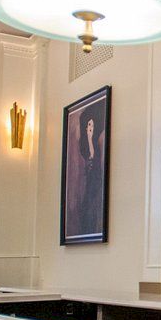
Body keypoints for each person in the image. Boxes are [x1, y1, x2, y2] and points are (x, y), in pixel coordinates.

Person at [67, 98, 106, 239]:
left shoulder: (98, 142)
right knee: (86, 204)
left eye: (92, 124)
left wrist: (91, 139)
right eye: (88, 124)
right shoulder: (85, 146)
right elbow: (89, 158)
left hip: (94, 179)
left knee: (91, 203)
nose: (90, 127)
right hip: (89, 179)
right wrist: (89, 138)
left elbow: (94, 159)